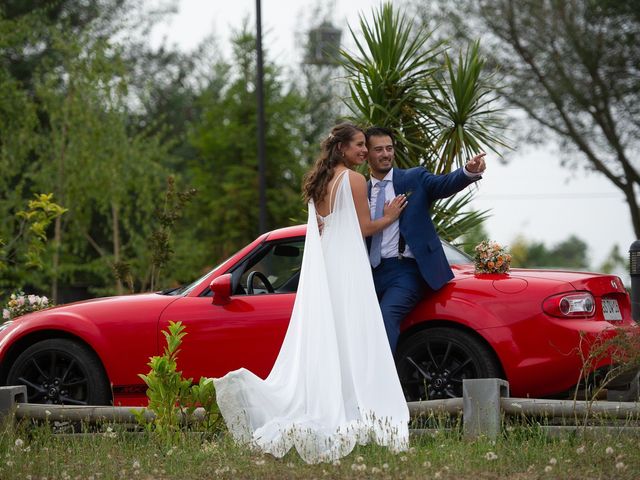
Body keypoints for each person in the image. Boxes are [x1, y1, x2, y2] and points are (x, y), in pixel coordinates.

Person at [213, 123, 410, 464]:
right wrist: (390, 216)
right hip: (348, 262)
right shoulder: (353, 180)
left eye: (366, 145)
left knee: (332, 331)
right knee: (353, 330)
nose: (364, 151)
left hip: (328, 263)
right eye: (360, 145)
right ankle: (357, 402)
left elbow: (324, 227)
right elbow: (363, 228)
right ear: (342, 149)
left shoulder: (319, 183)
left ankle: (332, 397)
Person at [365, 126, 486, 353]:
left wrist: (468, 171)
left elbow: (442, 184)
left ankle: (383, 385)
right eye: (378, 149)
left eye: (389, 148)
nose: (385, 154)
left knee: (386, 316)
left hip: (406, 272)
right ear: (367, 154)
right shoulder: (360, 191)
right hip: (370, 273)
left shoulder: (413, 178)